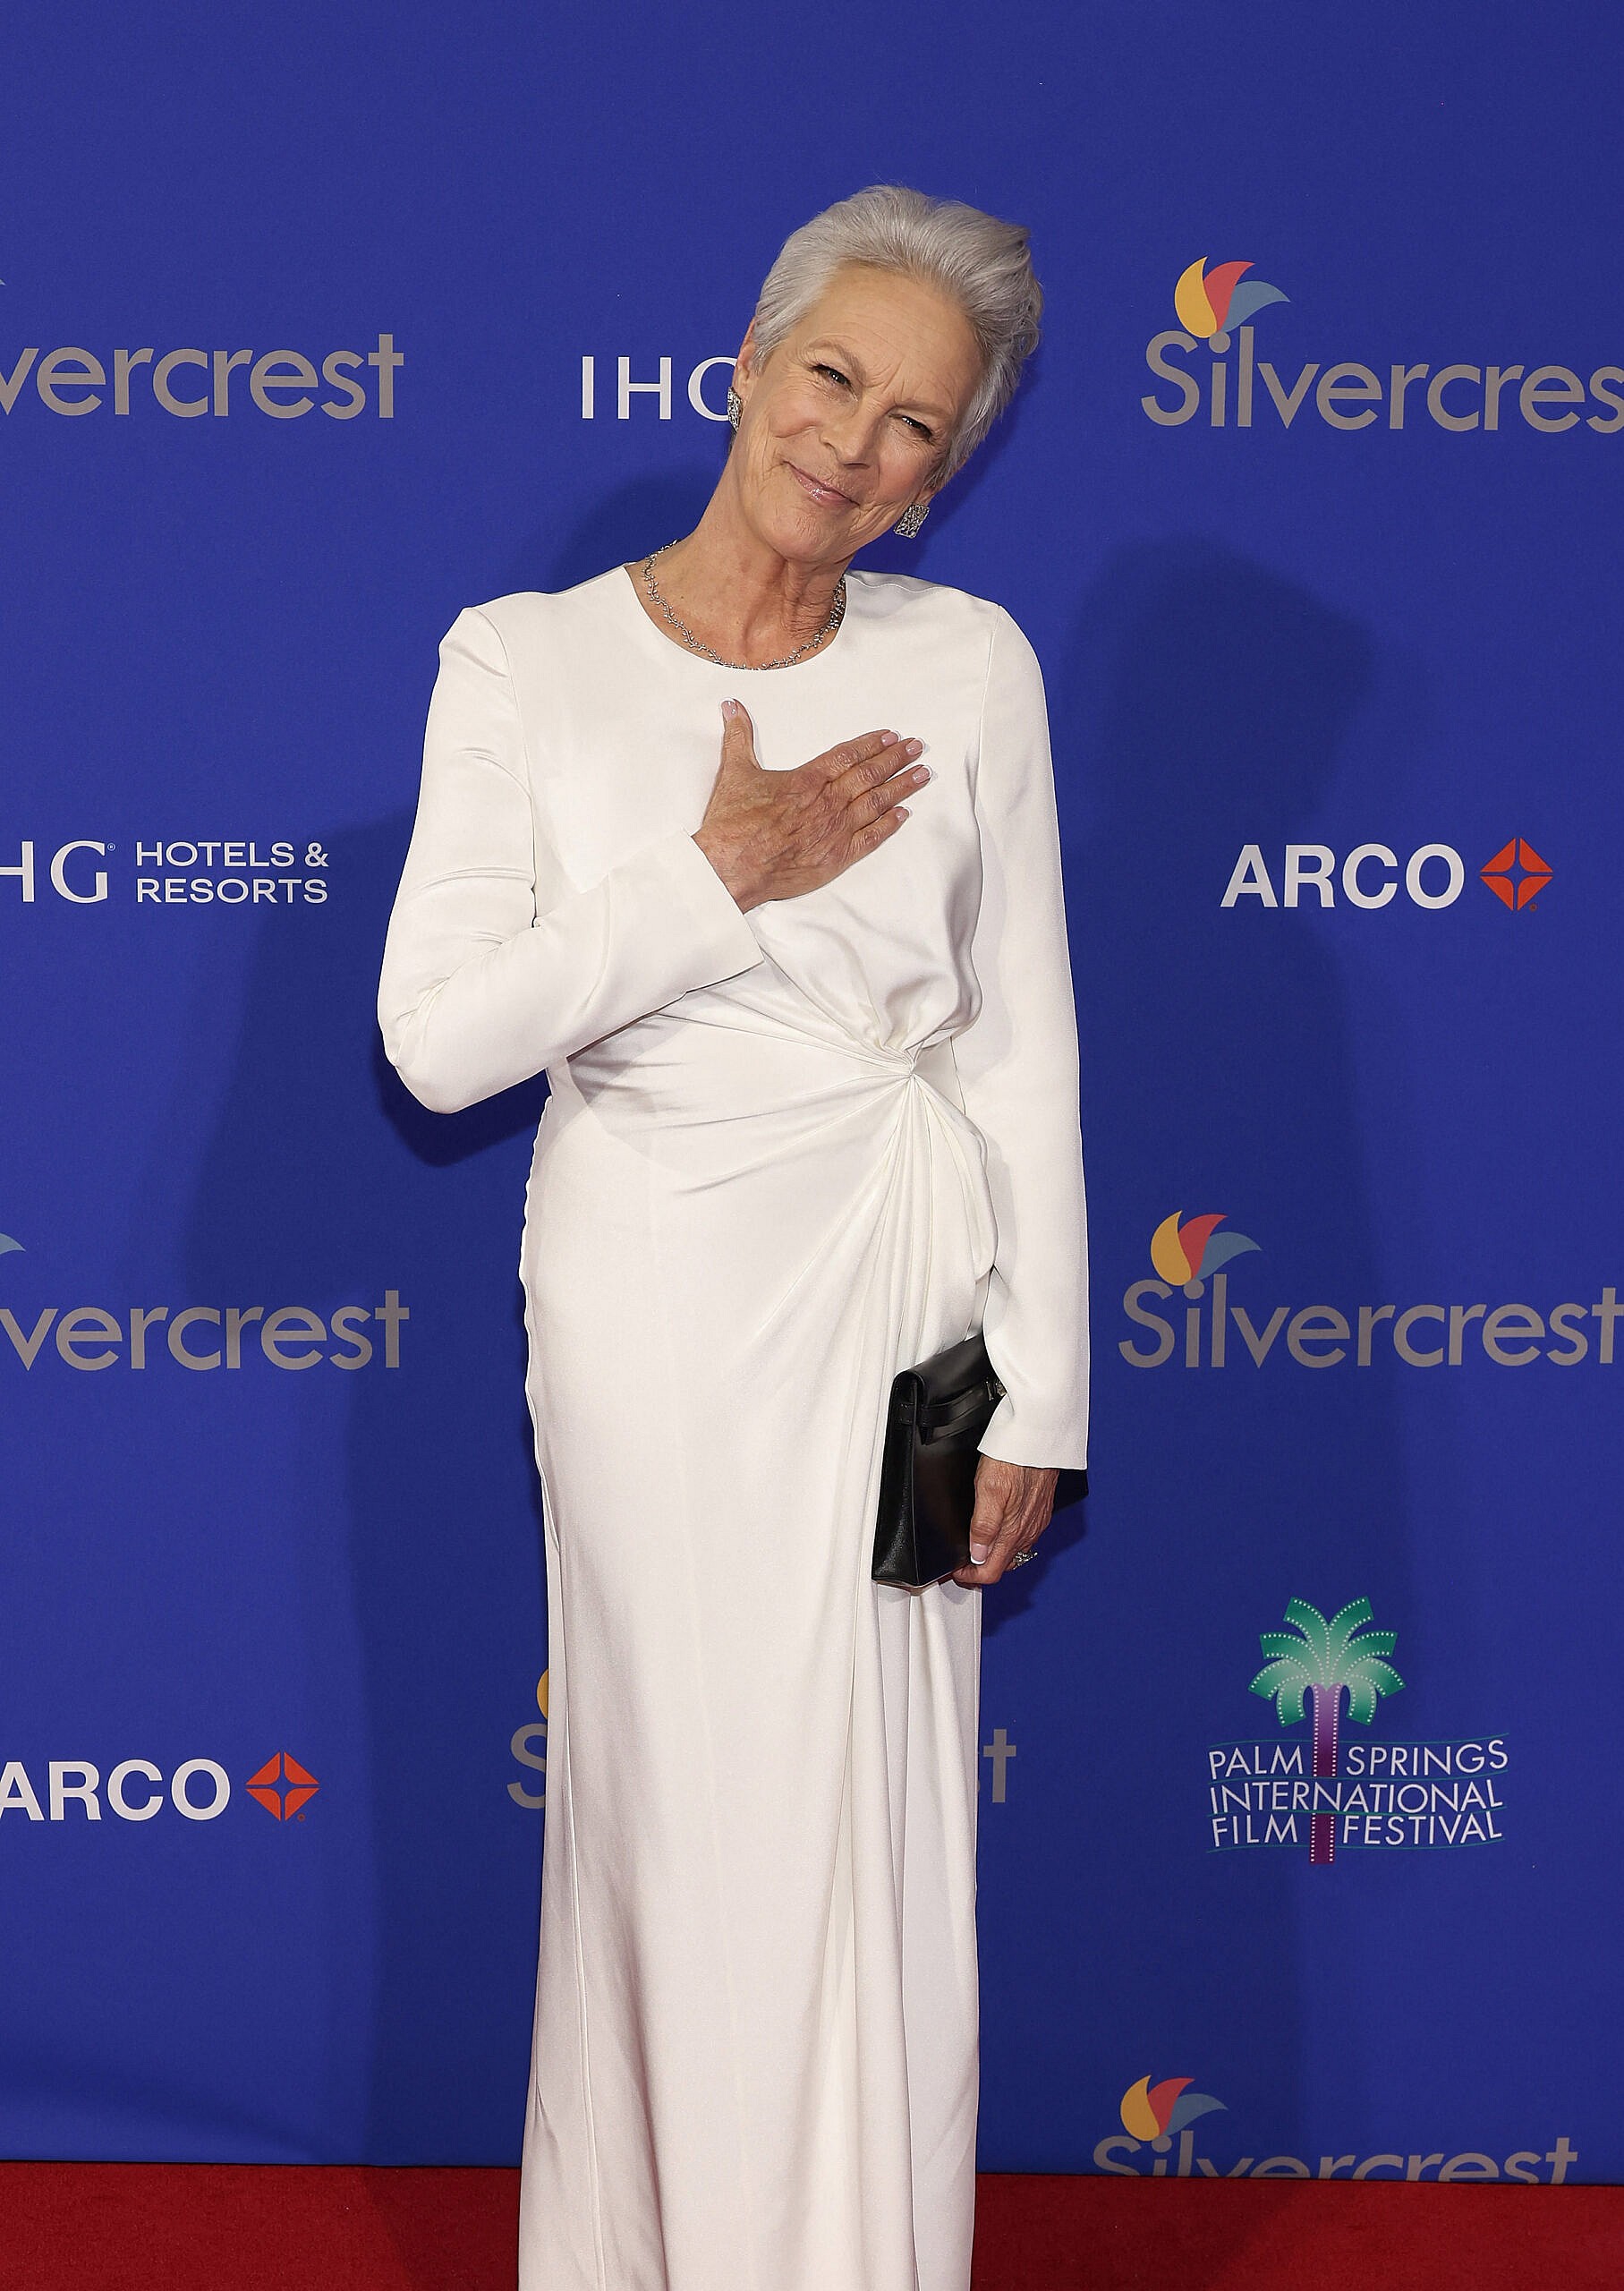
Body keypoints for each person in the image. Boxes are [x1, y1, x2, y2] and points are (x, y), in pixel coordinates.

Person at [378, 183, 1089, 2291]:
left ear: (944, 475)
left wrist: (1036, 1384)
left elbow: (1018, 1047)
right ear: (748, 370)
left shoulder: (970, 667)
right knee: (684, 1818)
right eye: (834, 378)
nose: (857, 444)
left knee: (874, 1825)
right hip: (653, 1293)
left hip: (905, 1289)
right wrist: (711, 874)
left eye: (915, 427)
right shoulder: (525, 660)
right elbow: (435, 1043)